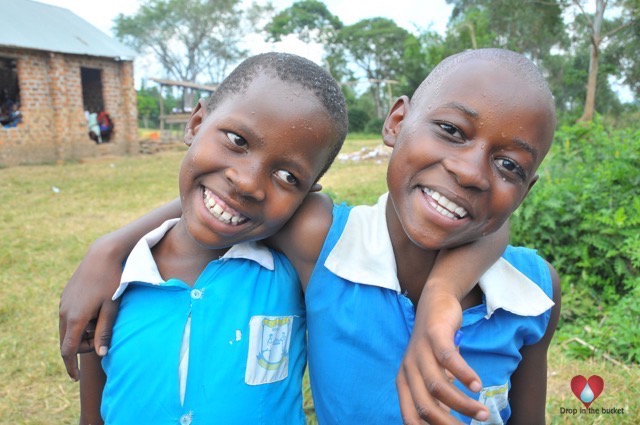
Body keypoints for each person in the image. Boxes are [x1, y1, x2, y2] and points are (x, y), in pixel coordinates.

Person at [66, 51, 503, 425]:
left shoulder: (295, 263)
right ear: (196, 122)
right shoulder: (117, 281)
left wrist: (443, 290)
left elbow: (495, 222)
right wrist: (110, 249)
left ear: (306, 195)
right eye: (237, 140)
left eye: (287, 175)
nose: (248, 183)